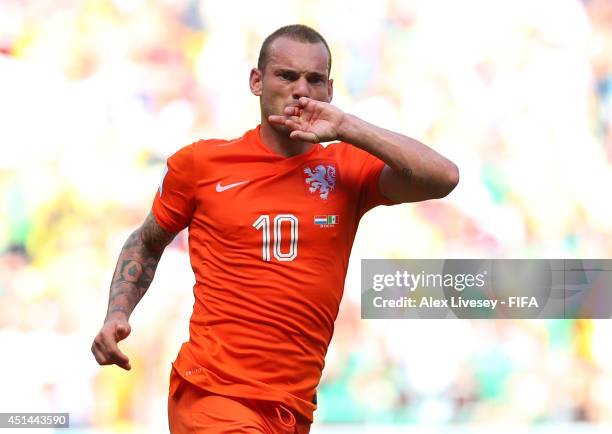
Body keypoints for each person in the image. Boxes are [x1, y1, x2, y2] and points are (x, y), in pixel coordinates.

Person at [91, 24, 459, 433]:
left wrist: (349, 126)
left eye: (314, 80)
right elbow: (146, 242)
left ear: (330, 90)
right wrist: (116, 313)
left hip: (292, 408)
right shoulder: (202, 165)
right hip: (214, 395)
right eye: (286, 76)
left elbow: (442, 177)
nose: (301, 90)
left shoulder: (346, 168)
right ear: (257, 81)